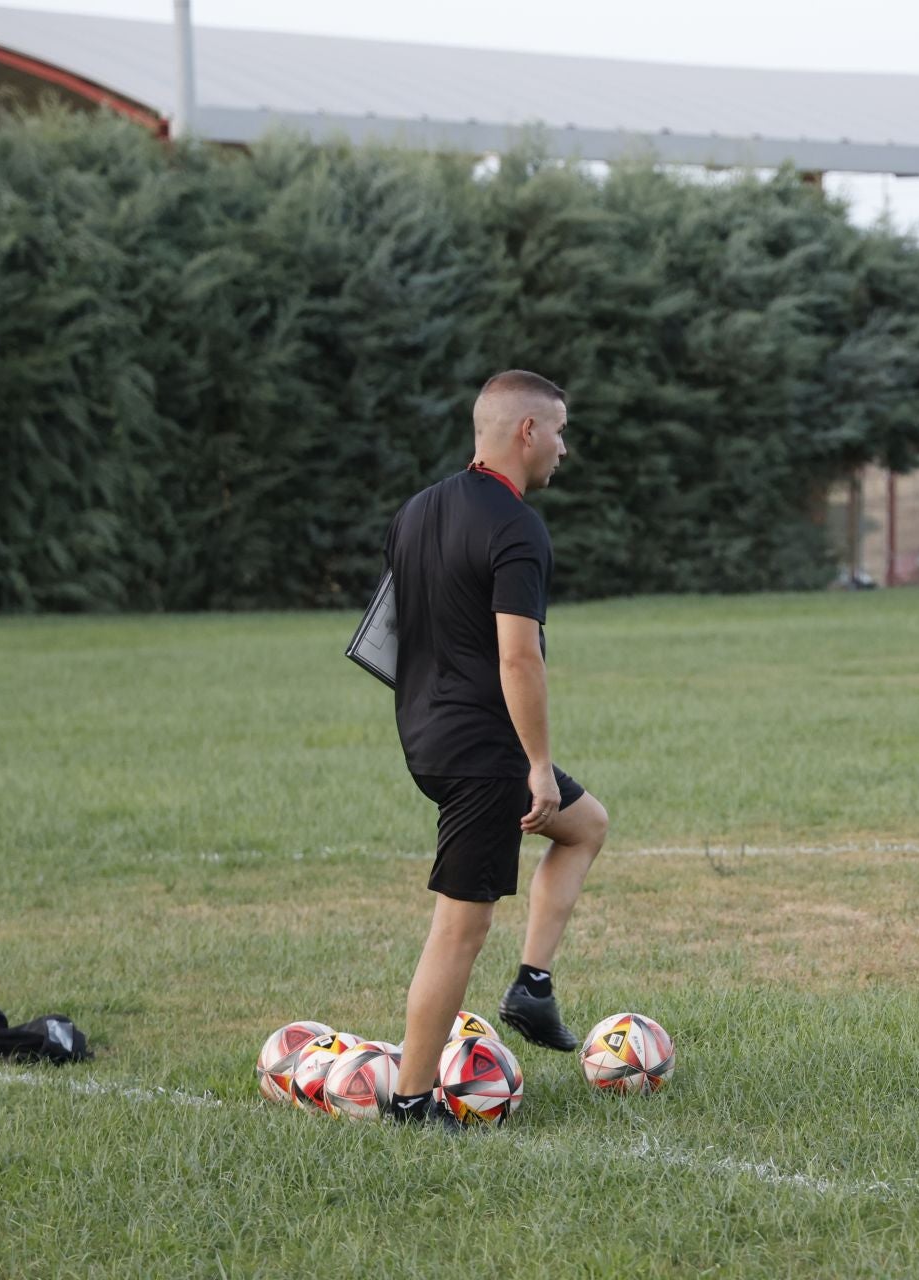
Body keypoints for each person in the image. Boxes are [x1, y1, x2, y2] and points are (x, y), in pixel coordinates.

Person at [379, 369, 610, 1126]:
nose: (564, 448)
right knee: (462, 925)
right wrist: (537, 765)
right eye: (560, 430)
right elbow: (520, 657)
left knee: (585, 825)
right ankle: (411, 1103)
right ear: (525, 432)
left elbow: (391, 634)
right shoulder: (516, 526)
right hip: (484, 750)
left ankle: (532, 988)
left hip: (429, 733)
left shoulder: (416, 511)